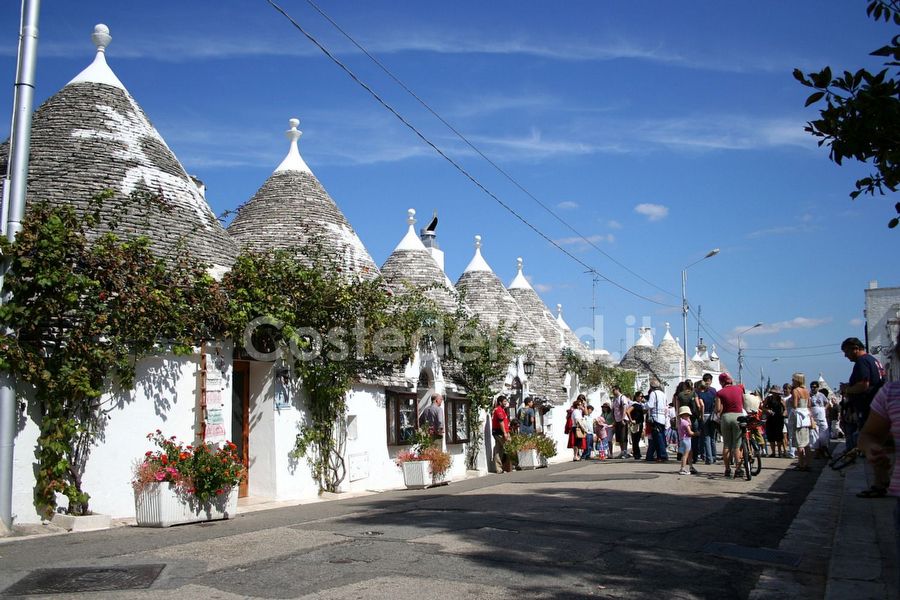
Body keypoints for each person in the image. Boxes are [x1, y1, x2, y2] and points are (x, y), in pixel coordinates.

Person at [857, 332, 899, 563]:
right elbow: (868, 435)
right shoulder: (891, 393)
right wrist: (872, 447)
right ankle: (880, 484)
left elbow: (863, 384)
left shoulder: (864, 363)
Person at [840, 337, 885, 452]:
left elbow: (863, 385)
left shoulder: (862, 361)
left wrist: (847, 389)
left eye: (847, 352)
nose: (845, 356)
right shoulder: (872, 360)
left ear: (855, 348)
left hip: (867, 407)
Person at [715, 372, 745, 478]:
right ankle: (738, 468)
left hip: (726, 417)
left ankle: (727, 469)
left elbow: (718, 409)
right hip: (738, 416)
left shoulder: (720, 392)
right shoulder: (739, 389)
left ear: (721, 382)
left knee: (727, 445)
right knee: (737, 445)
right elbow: (743, 403)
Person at [790, 373, 813, 471]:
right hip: (806, 416)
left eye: (793, 380)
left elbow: (795, 405)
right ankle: (808, 463)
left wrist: (791, 402)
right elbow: (809, 404)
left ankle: (801, 464)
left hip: (799, 415)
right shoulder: (806, 391)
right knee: (806, 443)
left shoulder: (796, 390)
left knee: (799, 442)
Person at [645, 378, 669, 462]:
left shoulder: (653, 393)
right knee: (661, 436)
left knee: (658, 438)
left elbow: (650, 405)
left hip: (655, 417)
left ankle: (662, 455)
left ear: (651, 386)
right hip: (662, 418)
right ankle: (660, 455)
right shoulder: (663, 394)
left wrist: (644, 405)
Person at [698, 373, 718, 464]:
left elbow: (701, 406)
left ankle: (709, 458)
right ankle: (714, 456)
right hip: (712, 415)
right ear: (710, 381)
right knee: (713, 437)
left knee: (706, 437)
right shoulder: (714, 391)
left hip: (705, 415)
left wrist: (701, 416)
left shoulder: (699, 392)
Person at [764, 385, 786, 458]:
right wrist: (767, 410)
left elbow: (785, 409)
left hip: (779, 418)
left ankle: (779, 451)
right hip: (770, 418)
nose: (775, 394)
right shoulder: (768, 398)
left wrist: (783, 414)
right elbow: (763, 407)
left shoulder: (781, 399)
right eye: (774, 392)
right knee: (771, 436)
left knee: (779, 436)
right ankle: (773, 452)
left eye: (776, 393)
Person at [810, 385, 831, 458]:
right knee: (815, 436)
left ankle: (824, 451)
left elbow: (828, 402)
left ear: (817, 388)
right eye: (812, 387)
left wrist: (824, 408)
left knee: (824, 436)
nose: (813, 388)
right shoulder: (809, 395)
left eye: (814, 387)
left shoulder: (821, 395)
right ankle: (817, 453)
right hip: (814, 419)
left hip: (822, 418)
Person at [677, 405, 699, 475]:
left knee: (689, 453)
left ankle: (690, 466)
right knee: (686, 454)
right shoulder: (685, 423)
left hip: (683, 439)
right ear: (683, 415)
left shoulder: (680, 422)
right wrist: (696, 433)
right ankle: (683, 468)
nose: (688, 416)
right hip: (686, 439)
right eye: (687, 415)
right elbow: (690, 432)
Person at [491, 396, 511, 473]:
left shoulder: (502, 410)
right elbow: (501, 422)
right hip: (500, 433)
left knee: (499, 450)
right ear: (500, 402)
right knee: (508, 447)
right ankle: (508, 466)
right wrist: (505, 433)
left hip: (500, 432)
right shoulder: (499, 410)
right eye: (504, 401)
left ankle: (499, 468)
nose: (506, 403)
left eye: (506, 401)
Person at [612, 386, 631, 459]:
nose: (613, 392)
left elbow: (624, 408)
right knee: (619, 437)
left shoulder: (622, 397)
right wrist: (614, 420)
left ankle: (625, 452)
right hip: (617, 420)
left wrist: (622, 419)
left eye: (614, 390)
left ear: (617, 390)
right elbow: (613, 410)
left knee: (623, 436)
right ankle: (622, 452)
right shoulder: (614, 399)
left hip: (622, 420)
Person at [567, 396, 587, 461]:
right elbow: (577, 420)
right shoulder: (576, 411)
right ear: (577, 405)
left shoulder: (576, 411)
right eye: (580, 404)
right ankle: (575, 456)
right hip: (577, 427)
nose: (581, 405)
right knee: (576, 443)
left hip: (576, 427)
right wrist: (583, 428)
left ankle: (576, 455)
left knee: (577, 443)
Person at [627, 390, 646, 460]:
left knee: (637, 439)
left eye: (642, 396)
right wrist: (631, 420)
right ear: (636, 397)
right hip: (636, 424)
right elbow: (628, 411)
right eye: (641, 396)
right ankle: (636, 454)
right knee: (635, 439)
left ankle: (637, 453)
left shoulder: (640, 405)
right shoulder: (634, 404)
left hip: (640, 423)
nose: (642, 397)